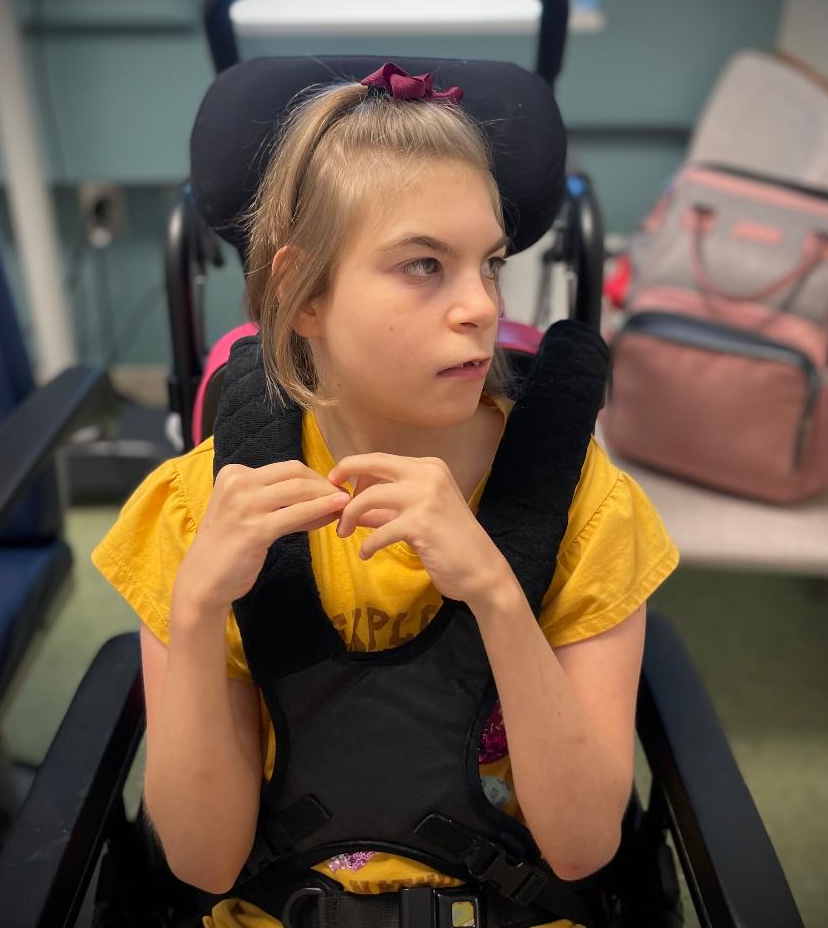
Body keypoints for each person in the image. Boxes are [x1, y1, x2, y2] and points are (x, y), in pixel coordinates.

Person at [92, 63, 680, 928]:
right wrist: (194, 610)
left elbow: (586, 845)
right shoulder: (200, 512)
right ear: (304, 295)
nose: (480, 306)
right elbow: (203, 860)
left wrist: (495, 591)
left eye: (490, 263)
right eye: (423, 266)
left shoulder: (584, 508)